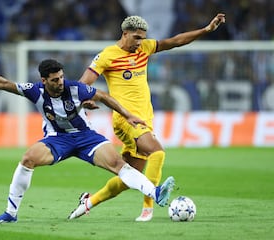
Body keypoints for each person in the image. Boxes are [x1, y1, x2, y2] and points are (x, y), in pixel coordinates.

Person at [0, 54, 175, 223]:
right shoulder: (35, 91)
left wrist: (128, 115)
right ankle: (10, 213)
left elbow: (104, 96)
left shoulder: (76, 89)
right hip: (57, 139)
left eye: (61, 78)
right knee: (28, 158)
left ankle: (154, 192)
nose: (60, 82)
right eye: (55, 80)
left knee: (118, 164)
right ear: (44, 80)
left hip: (86, 137)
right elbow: (2, 83)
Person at [68, 13, 226, 221]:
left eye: (143, 37)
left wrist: (205, 30)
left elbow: (176, 41)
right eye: (136, 37)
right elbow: (83, 83)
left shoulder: (144, 48)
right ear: (125, 34)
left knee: (128, 177)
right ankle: (148, 208)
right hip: (125, 120)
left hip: (144, 120)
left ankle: (88, 202)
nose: (140, 42)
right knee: (157, 152)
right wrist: (86, 100)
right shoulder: (107, 55)